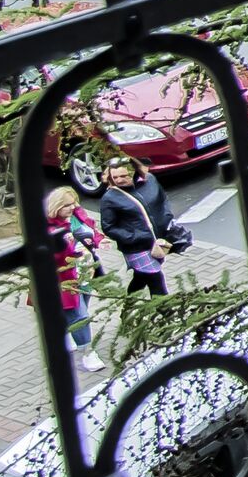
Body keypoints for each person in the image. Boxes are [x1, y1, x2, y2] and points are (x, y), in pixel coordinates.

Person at [90, 153, 193, 295]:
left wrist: (166, 219)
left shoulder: (150, 181)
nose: (119, 180)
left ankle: (129, 304)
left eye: (124, 176)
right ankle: (166, 312)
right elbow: (109, 227)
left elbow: (162, 200)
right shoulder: (110, 198)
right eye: (115, 177)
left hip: (157, 243)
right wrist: (135, 237)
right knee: (156, 279)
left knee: (142, 277)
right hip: (136, 248)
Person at [43, 181, 109, 365]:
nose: (72, 207)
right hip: (65, 279)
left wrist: (99, 240)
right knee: (80, 315)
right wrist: (67, 246)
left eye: (73, 203)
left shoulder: (77, 216)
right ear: (55, 207)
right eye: (66, 205)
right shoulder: (48, 229)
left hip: (86, 271)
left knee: (80, 310)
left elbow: (91, 231)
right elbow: (51, 257)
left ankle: (65, 333)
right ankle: (88, 353)